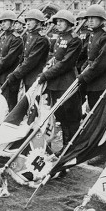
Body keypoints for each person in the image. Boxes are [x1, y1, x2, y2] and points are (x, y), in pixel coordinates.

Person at [38, 9, 83, 155]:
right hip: (56, 82)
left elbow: (65, 63)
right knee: (61, 116)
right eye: (57, 22)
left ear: (69, 23)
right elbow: (54, 57)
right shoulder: (60, 38)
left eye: (61, 22)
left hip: (66, 81)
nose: (58, 24)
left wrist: (46, 75)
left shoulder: (74, 39)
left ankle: (72, 146)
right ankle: (66, 145)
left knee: (71, 116)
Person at [78, 4, 106, 109]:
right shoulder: (93, 34)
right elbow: (90, 57)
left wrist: (85, 76)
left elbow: (102, 61)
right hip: (93, 79)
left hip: (103, 81)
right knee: (92, 108)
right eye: (88, 18)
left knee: (100, 112)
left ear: (101, 20)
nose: (90, 20)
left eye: (93, 18)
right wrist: (83, 69)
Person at [0, 10, 23, 111]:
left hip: (10, 76)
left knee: (9, 104)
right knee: (1, 103)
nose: (2, 24)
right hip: (1, 75)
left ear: (12, 23)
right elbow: (0, 57)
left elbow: (8, 60)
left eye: (5, 21)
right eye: (1, 22)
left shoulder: (17, 39)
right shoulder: (3, 38)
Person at [8, 9, 50, 91]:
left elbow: (32, 60)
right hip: (27, 75)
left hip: (35, 76)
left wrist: (16, 74)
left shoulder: (42, 39)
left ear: (38, 22)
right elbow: (23, 57)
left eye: (31, 20)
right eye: (27, 20)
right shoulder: (29, 36)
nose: (27, 23)